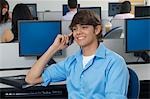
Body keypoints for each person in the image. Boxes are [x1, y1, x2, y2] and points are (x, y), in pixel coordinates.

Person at [26, 10, 129, 98]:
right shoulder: (71, 62)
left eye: (84, 27)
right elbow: (31, 79)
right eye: (75, 29)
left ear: (97, 30)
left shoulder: (114, 63)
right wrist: (54, 48)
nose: (78, 32)